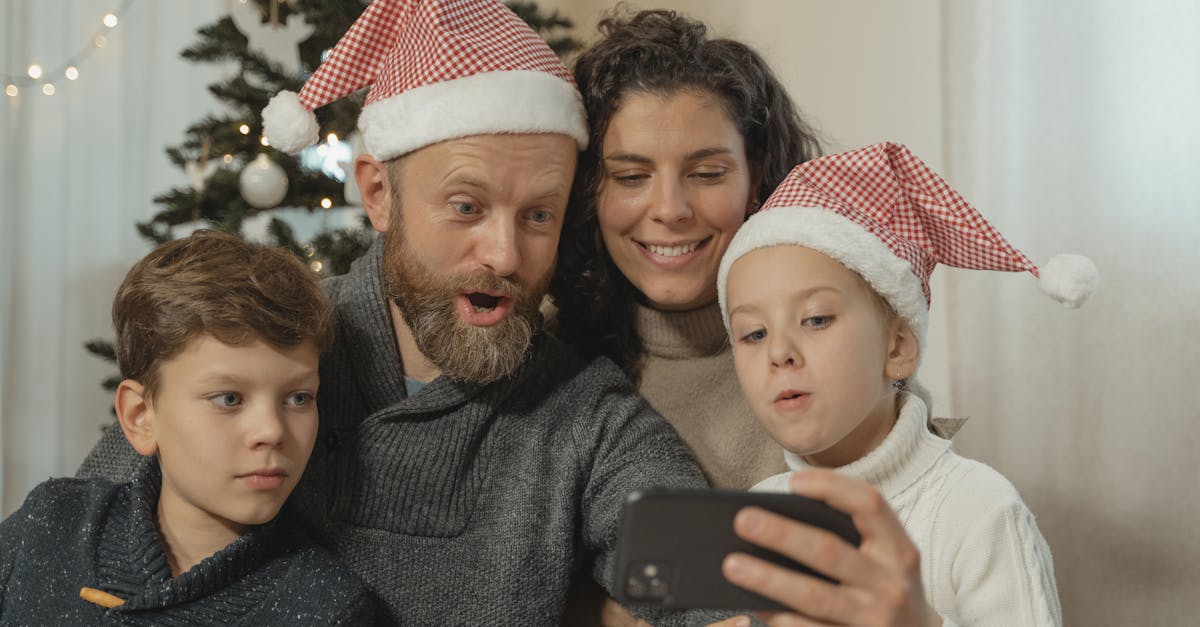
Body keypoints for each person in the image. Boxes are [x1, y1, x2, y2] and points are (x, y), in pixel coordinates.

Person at [75, 1, 718, 624]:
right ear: (379, 194)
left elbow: (719, 593)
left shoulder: (589, 420)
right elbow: (72, 549)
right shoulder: (253, 348)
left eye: (538, 215)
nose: (504, 253)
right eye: (466, 207)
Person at [714, 142, 1097, 625]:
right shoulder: (760, 514)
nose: (778, 352)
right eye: (753, 333)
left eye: (814, 319)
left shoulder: (980, 511)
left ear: (898, 348)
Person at [0, 230, 373, 624]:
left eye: (298, 398)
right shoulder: (52, 521)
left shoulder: (326, 607)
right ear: (141, 416)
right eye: (229, 398)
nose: (272, 431)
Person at [552, 8, 824, 491]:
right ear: (589, 189)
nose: (670, 209)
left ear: (756, 176)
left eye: (706, 174)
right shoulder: (544, 366)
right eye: (632, 177)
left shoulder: (832, 352)